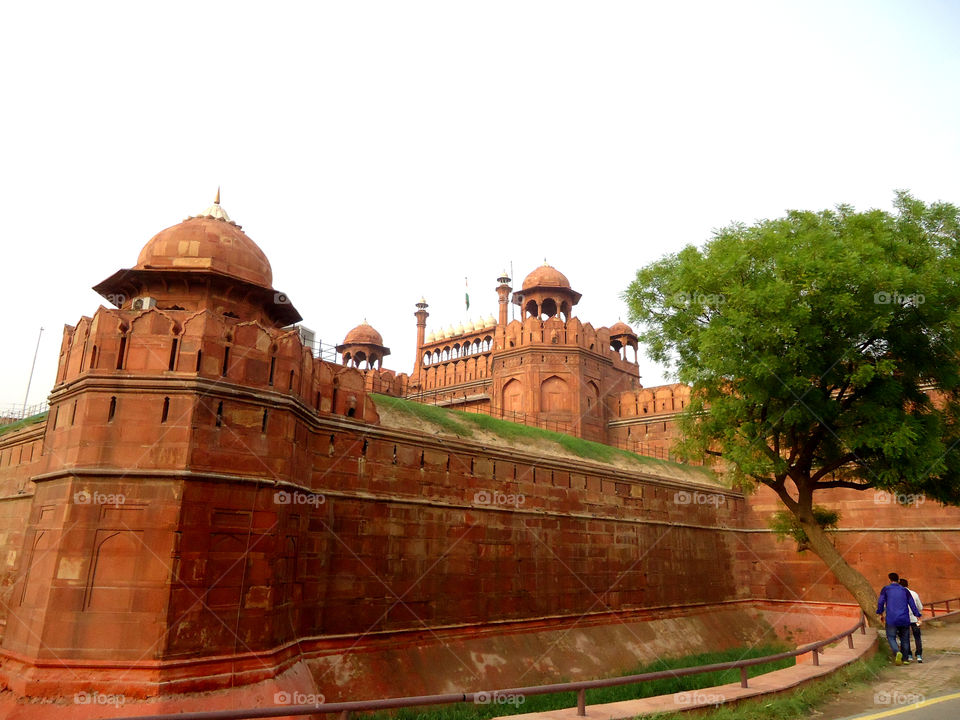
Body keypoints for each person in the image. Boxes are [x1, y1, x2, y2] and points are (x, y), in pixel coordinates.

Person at [877, 571, 921, 665]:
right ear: (898, 580)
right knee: (905, 639)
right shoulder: (905, 590)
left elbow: (881, 602)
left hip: (891, 618)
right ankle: (905, 659)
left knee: (891, 637)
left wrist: (880, 612)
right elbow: (912, 604)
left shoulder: (886, 589)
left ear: (889, 579)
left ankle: (897, 652)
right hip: (904, 618)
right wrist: (917, 615)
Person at [899, 578, 923, 663]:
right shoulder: (914, 594)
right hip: (915, 618)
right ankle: (919, 655)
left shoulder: (899, 594)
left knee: (905, 637)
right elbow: (920, 607)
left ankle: (909, 655)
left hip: (904, 619)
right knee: (917, 636)